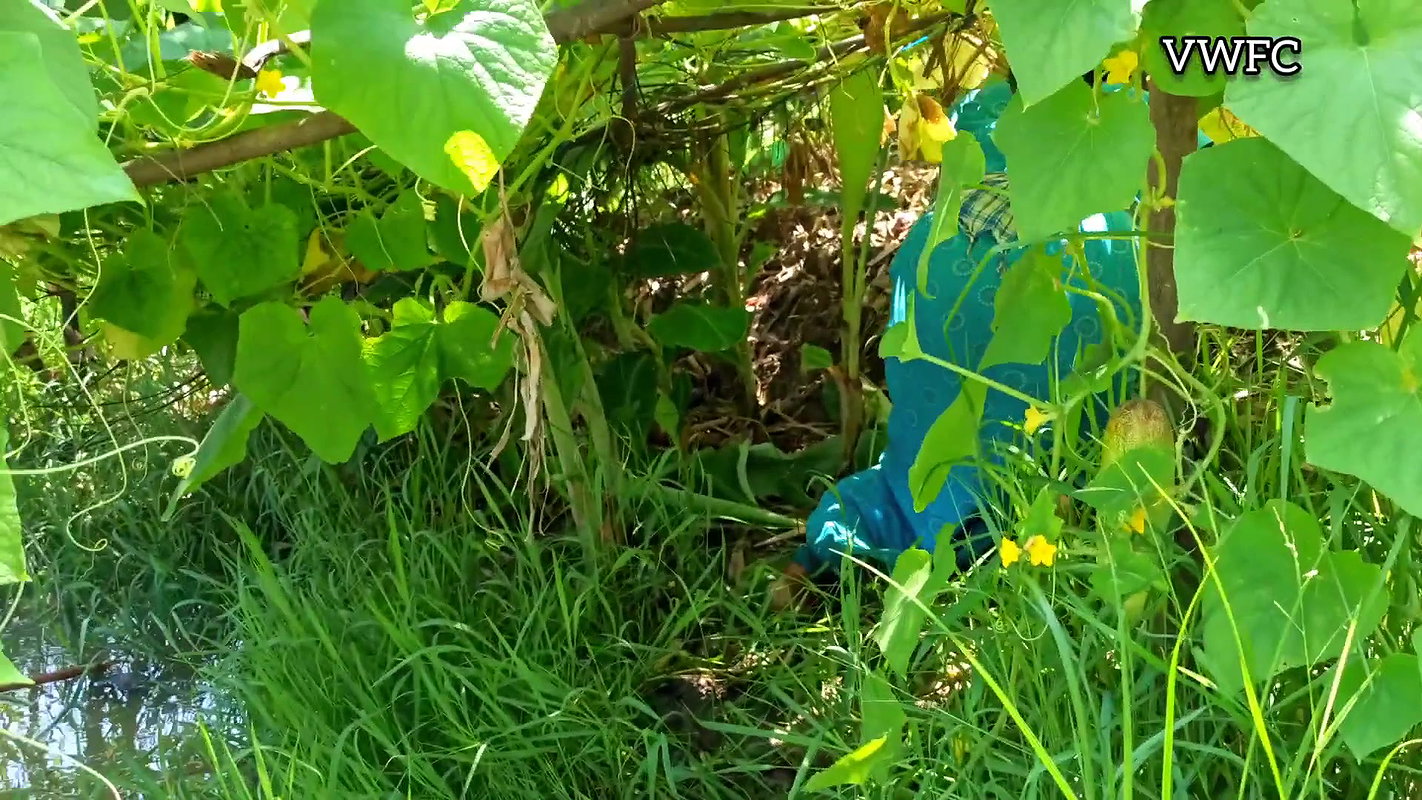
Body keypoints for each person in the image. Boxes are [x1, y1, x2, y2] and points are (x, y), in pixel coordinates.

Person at [774, 72, 1153, 604]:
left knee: (933, 450)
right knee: (1069, 428)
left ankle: (863, 543)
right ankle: (1056, 526)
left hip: (949, 256)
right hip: (1079, 264)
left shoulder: (987, 100)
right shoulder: (1147, 102)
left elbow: (955, 154)